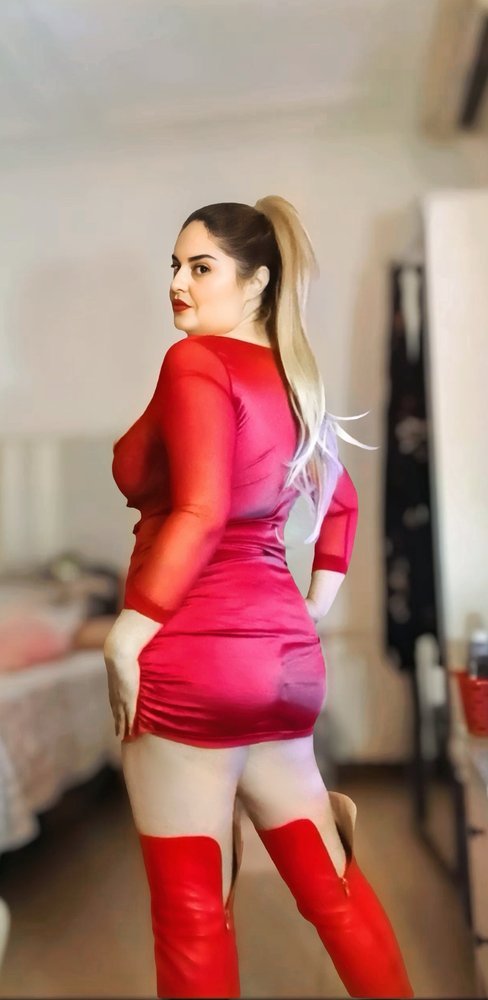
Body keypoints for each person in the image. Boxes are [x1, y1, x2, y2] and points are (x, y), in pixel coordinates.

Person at [104, 196, 414, 999]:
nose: (178, 282)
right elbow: (341, 506)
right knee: (332, 889)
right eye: (175, 266)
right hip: (284, 668)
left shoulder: (194, 364)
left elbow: (202, 510)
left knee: (192, 915)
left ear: (257, 281)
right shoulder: (293, 380)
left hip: (193, 660)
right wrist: (312, 608)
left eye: (201, 267)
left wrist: (127, 633)